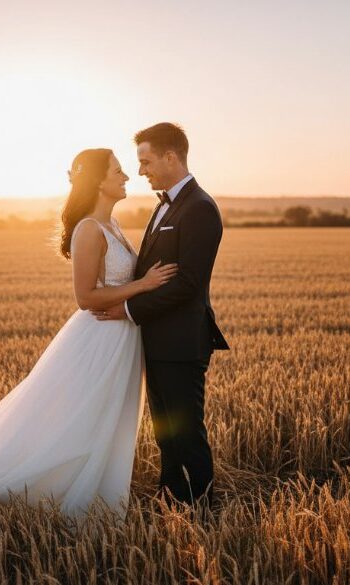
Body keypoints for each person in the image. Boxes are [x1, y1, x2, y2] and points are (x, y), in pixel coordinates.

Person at [0, 148, 178, 518]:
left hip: (120, 338)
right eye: (118, 171)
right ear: (98, 181)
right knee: (78, 420)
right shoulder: (88, 229)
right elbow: (85, 297)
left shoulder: (112, 225)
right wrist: (143, 285)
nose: (126, 176)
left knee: (105, 420)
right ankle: (46, 494)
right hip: (98, 339)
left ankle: (94, 494)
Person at [93, 122, 230, 510]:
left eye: (146, 161)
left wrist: (127, 309)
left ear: (171, 156)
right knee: (166, 434)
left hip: (182, 343)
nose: (141, 171)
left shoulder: (200, 208)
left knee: (185, 433)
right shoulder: (165, 204)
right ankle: (171, 500)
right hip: (158, 340)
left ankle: (202, 509)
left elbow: (187, 284)